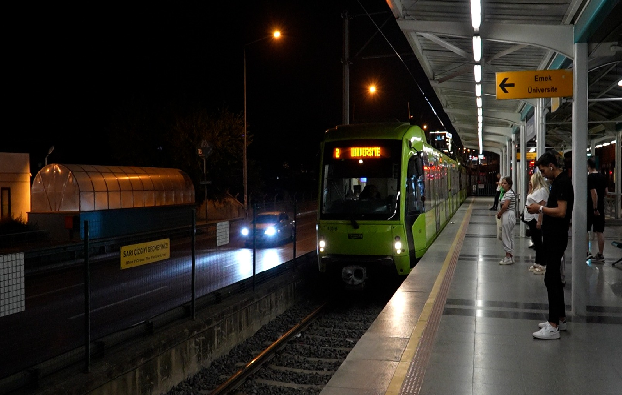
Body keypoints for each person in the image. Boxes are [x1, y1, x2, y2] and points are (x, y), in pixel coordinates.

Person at [527, 151, 574, 340]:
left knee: (552, 280)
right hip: (554, 236)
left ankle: (553, 326)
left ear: (552, 165)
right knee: (552, 279)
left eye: (544, 170)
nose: (543, 173)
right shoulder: (559, 182)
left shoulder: (562, 183)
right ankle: (560, 319)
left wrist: (539, 209)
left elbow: (561, 211)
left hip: (556, 237)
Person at [524, 172, 549, 274]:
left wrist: (539, 221)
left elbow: (542, 207)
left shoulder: (542, 191)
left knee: (539, 242)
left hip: (535, 219)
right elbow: (528, 198)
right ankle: (537, 262)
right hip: (530, 219)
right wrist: (530, 187)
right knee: (536, 241)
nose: (530, 181)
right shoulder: (535, 190)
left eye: (531, 179)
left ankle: (542, 264)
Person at [587, 157, 608, 263]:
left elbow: (593, 193)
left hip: (592, 207)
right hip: (601, 207)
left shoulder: (590, 178)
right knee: (600, 231)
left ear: (588, 166)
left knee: (586, 229)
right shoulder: (602, 177)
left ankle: (587, 252)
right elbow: (606, 192)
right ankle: (600, 254)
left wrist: (595, 208)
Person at [497, 177, 516, 264]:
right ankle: (511, 256)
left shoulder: (509, 194)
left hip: (508, 215)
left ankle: (507, 256)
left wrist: (500, 213)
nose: (502, 185)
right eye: (502, 183)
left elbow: (505, 206)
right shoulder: (507, 193)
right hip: (509, 215)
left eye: (504, 183)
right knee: (509, 235)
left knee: (506, 236)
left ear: (509, 185)